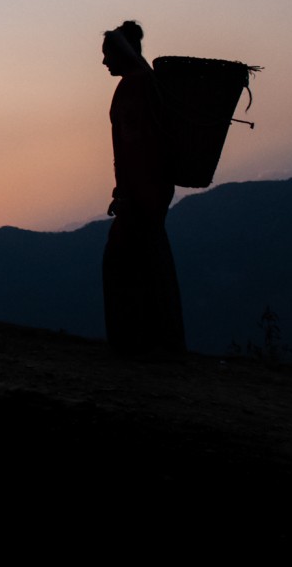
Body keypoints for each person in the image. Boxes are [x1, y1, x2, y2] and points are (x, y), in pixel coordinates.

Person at [101, 21, 186, 355]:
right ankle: (158, 340)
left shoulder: (133, 88)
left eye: (108, 54)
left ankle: (139, 343)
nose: (105, 62)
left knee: (124, 263)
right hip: (152, 190)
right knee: (150, 263)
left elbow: (135, 147)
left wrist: (124, 194)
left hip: (141, 193)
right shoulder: (147, 84)